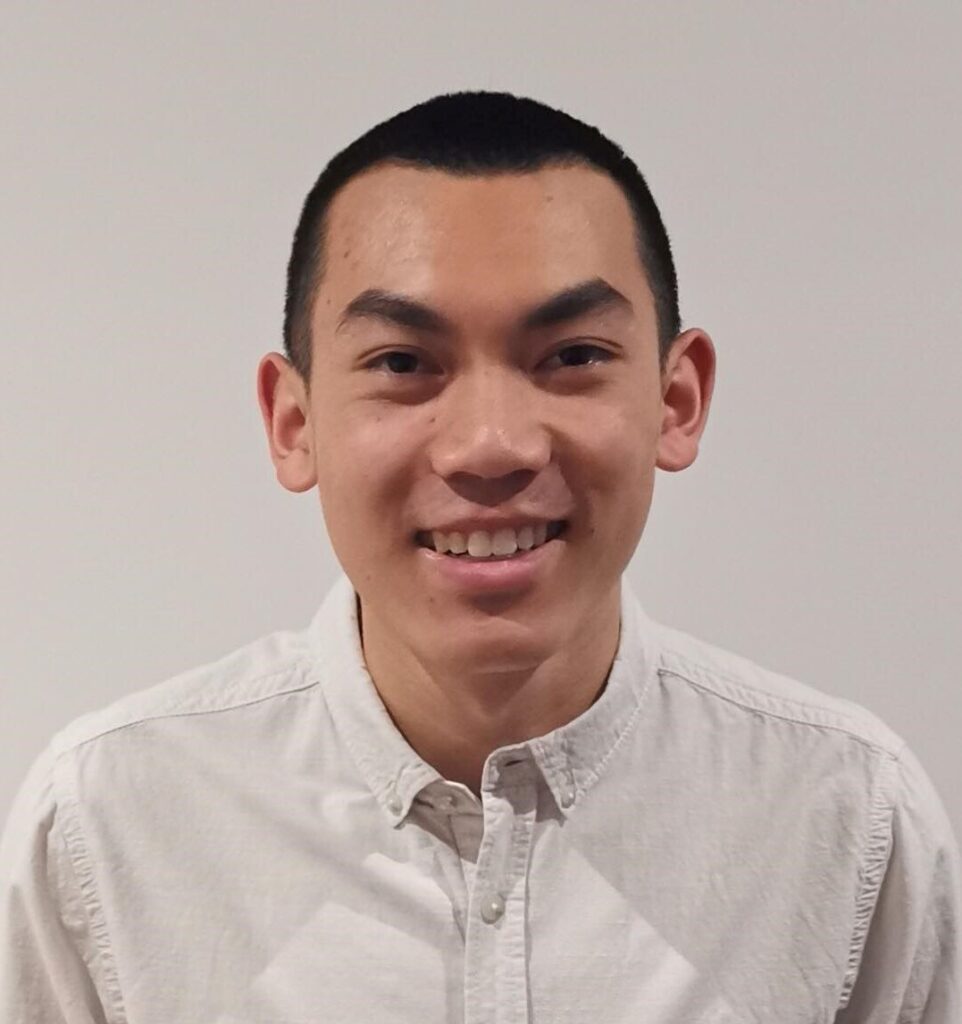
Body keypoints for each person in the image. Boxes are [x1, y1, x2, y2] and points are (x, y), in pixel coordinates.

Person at [1, 91, 959, 1023]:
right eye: (402, 363)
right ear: (294, 423)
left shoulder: (847, 819)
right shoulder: (108, 824)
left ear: (677, 400)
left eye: (572, 356)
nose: (491, 446)